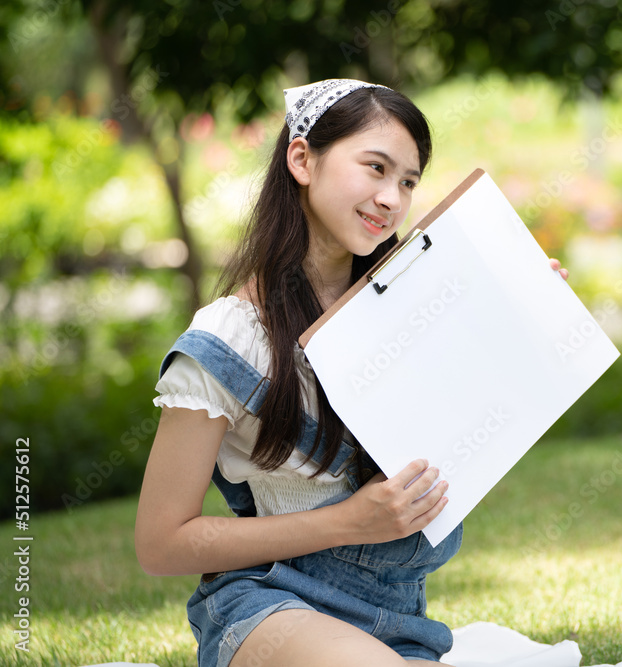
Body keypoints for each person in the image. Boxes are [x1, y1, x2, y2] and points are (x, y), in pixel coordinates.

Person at [134, 79, 568, 667]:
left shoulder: (414, 305)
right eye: (375, 168)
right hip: (271, 607)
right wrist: (346, 523)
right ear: (302, 158)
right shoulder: (230, 338)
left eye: (409, 181)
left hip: (396, 616)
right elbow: (161, 542)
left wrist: (516, 318)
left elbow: (468, 430)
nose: (392, 197)